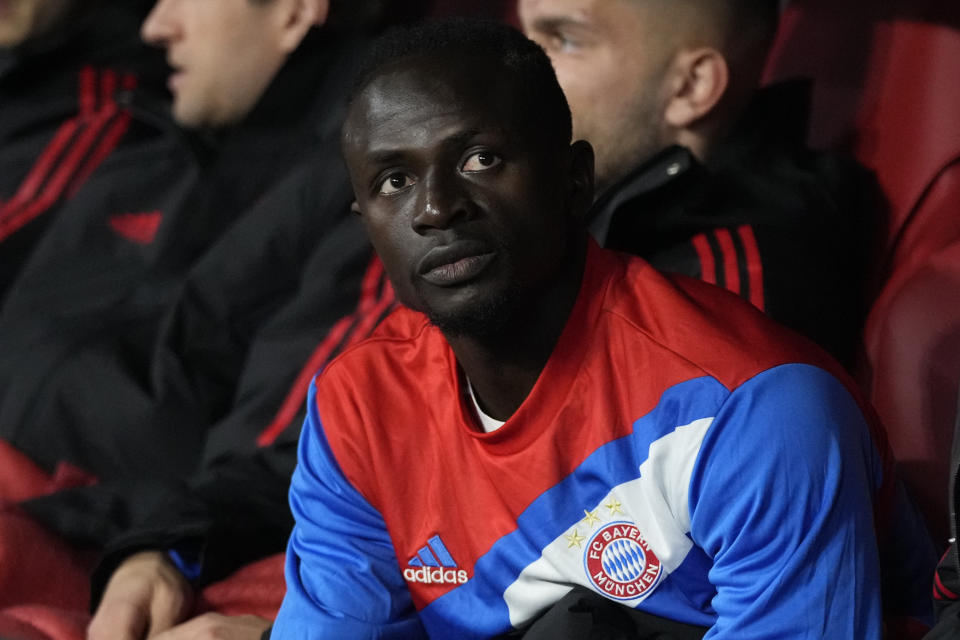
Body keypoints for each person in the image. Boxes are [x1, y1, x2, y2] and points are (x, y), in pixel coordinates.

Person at [270, 19, 933, 638]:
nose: (438, 209)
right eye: (394, 180)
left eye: (479, 159)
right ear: (367, 227)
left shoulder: (755, 407)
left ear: (574, 181)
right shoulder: (358, 407)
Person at [518, 0, 879, 368]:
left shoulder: (728, 288)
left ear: (691, 87)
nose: (511, 73)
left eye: (564, 41)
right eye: (523, 35)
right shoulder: (596, 209)